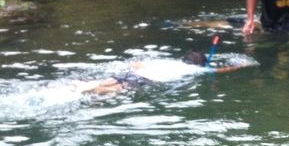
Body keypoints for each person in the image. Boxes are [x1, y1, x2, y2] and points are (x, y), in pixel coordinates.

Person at [81, 50, 248, 96]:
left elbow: (135, 64)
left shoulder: (170, 62)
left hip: (134, 72)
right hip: (144, 79)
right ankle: (95, 89)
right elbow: (221, 70)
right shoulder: (195, 70)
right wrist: (243, 65)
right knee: (116, 89)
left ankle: (89, 85)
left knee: (113, 81)